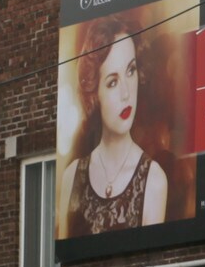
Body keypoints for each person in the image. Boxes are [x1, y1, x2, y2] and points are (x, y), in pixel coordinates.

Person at [62, 16, 169, 237]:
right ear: (94, 94)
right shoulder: (71, 177)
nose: (126, 93)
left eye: (130, 71)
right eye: (112, 82)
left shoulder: (154, 180)